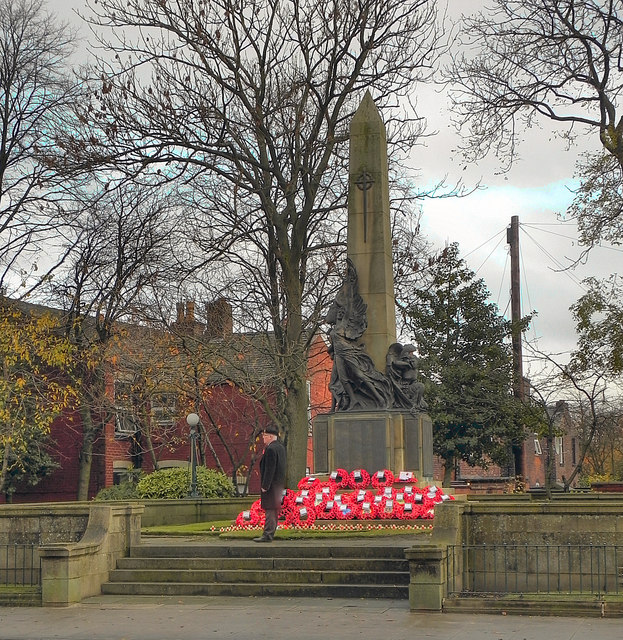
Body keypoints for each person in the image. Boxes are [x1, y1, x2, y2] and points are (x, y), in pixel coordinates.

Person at [253, 425, 286, 543]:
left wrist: (265, 485)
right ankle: (270, 532)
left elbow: (270, 468)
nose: (263, 438)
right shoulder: (280, 447)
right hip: (278, 484)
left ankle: (267, 534)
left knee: (270, 509)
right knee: (273, 509)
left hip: (271, 485)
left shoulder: (271, 449)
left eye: (265, 436)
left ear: (271, 436)